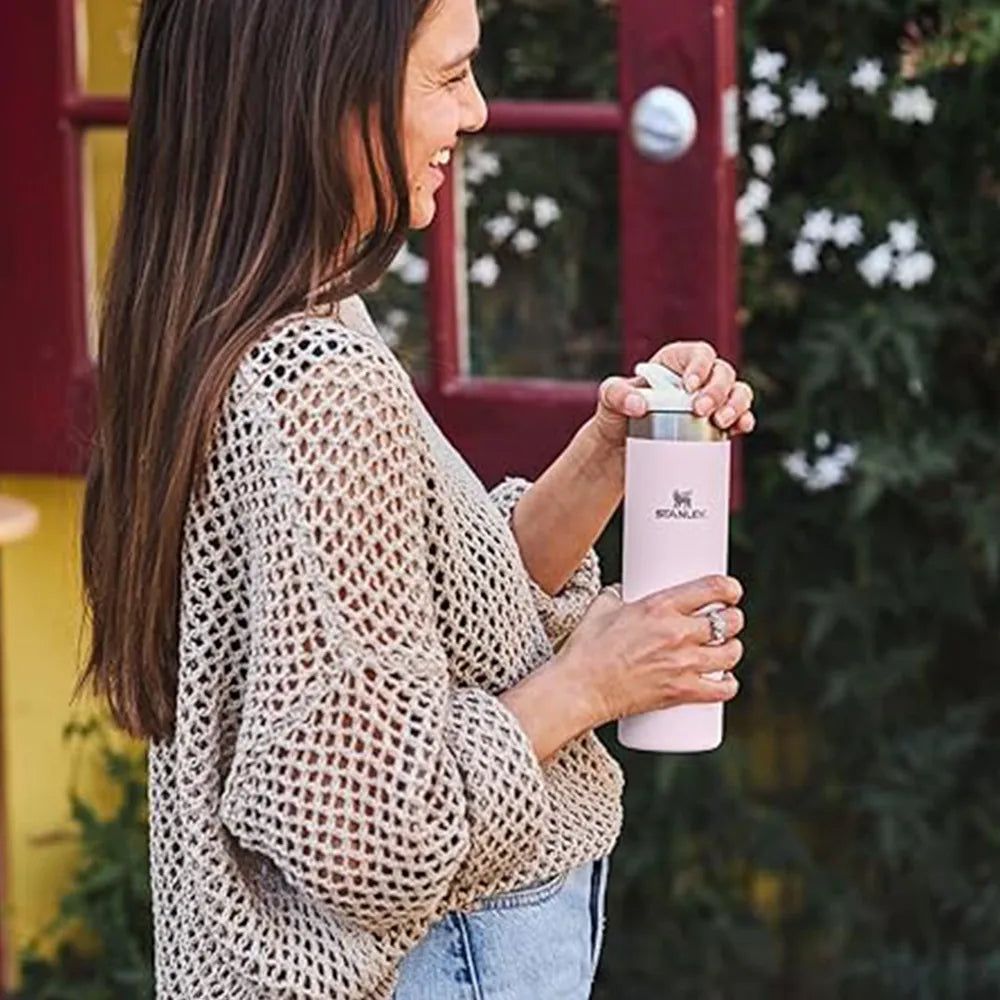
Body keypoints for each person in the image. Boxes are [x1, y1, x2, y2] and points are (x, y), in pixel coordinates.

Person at [79, 1, 756, 998]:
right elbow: (375, 832)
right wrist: (592, 682)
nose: (475, 113)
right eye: (449, 77)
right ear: (318, 95)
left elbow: (428, 622)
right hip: (443, 959)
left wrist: (606, 456)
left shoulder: (243, 328)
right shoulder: (320, 378)